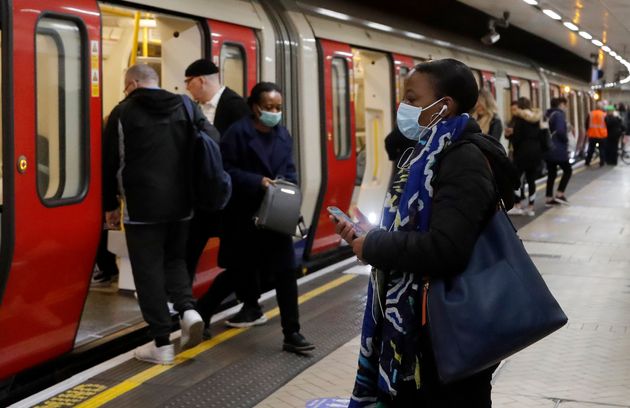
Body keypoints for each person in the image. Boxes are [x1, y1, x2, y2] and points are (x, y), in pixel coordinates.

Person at [334, 59, 519, 407]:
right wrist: (367, 237)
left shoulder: (462, 160)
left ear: (442, 106)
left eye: (412, 99)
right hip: (428, 329)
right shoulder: (427, 155)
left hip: (449, 332)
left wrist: (374, 245)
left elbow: (446, 248)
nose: (402, 107)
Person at [197, 82, 314, 354]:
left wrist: (287, 188)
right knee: (237, 272)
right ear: (255, 107)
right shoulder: (237, 134)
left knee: (286, 273)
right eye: (269, 107)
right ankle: (201, 313)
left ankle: (292, 333)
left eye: (278, 107)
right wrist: (256, 181)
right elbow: (224, 171)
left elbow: (290, 170)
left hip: (275, 217)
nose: (275, 112)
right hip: (244, 217)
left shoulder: (283, 135)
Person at [103, 64, 205, 364]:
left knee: (147, 271)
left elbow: (110, 163)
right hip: (182, 204)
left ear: (132, 83)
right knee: (174, 260)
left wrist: (110, 206)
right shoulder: (185, 104)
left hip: (141, 206)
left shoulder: (122, 113)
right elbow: (209, 138)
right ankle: (188, 310)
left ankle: (161, 343)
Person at [184, 59, 251, 285]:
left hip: (229, 192)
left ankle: (250, 303)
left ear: (201, 80)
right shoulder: (195, 108)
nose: (186, 88)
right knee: (190, 243)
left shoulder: (236, 106)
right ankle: (182, 295)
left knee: (235, 252)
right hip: (204, 193)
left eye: (188, 82)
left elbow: (244, 151)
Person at [507, 97, 543, 216]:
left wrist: (510, 137)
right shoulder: (536, 118)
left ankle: (518, 205)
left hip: (522, 153)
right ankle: (531, 207)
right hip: (535, 152)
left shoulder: (519, 119)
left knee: (517, 179)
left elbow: (517, 138)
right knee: (531, 180)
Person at [544, 97, 572, 206]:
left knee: (552, 173)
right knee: (568, 170)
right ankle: (560, 194)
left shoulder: (547, 114)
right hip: (558, 149)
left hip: (548, 149)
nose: (565, 108)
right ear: (561, 104)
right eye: (565, 105)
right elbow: (560, 131)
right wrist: (566, 140)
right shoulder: (559, 115)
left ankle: (548, 198)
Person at [585, 102, 608, 167]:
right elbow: (607, 124)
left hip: (592, 135)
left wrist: (588, 131)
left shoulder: (591, 114)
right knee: (602, 149)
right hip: (602, 135)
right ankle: (602, 162)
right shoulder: (604, 115)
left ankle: (587, 162)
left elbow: (586, 124)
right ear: (601, 107)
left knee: (590, 149)